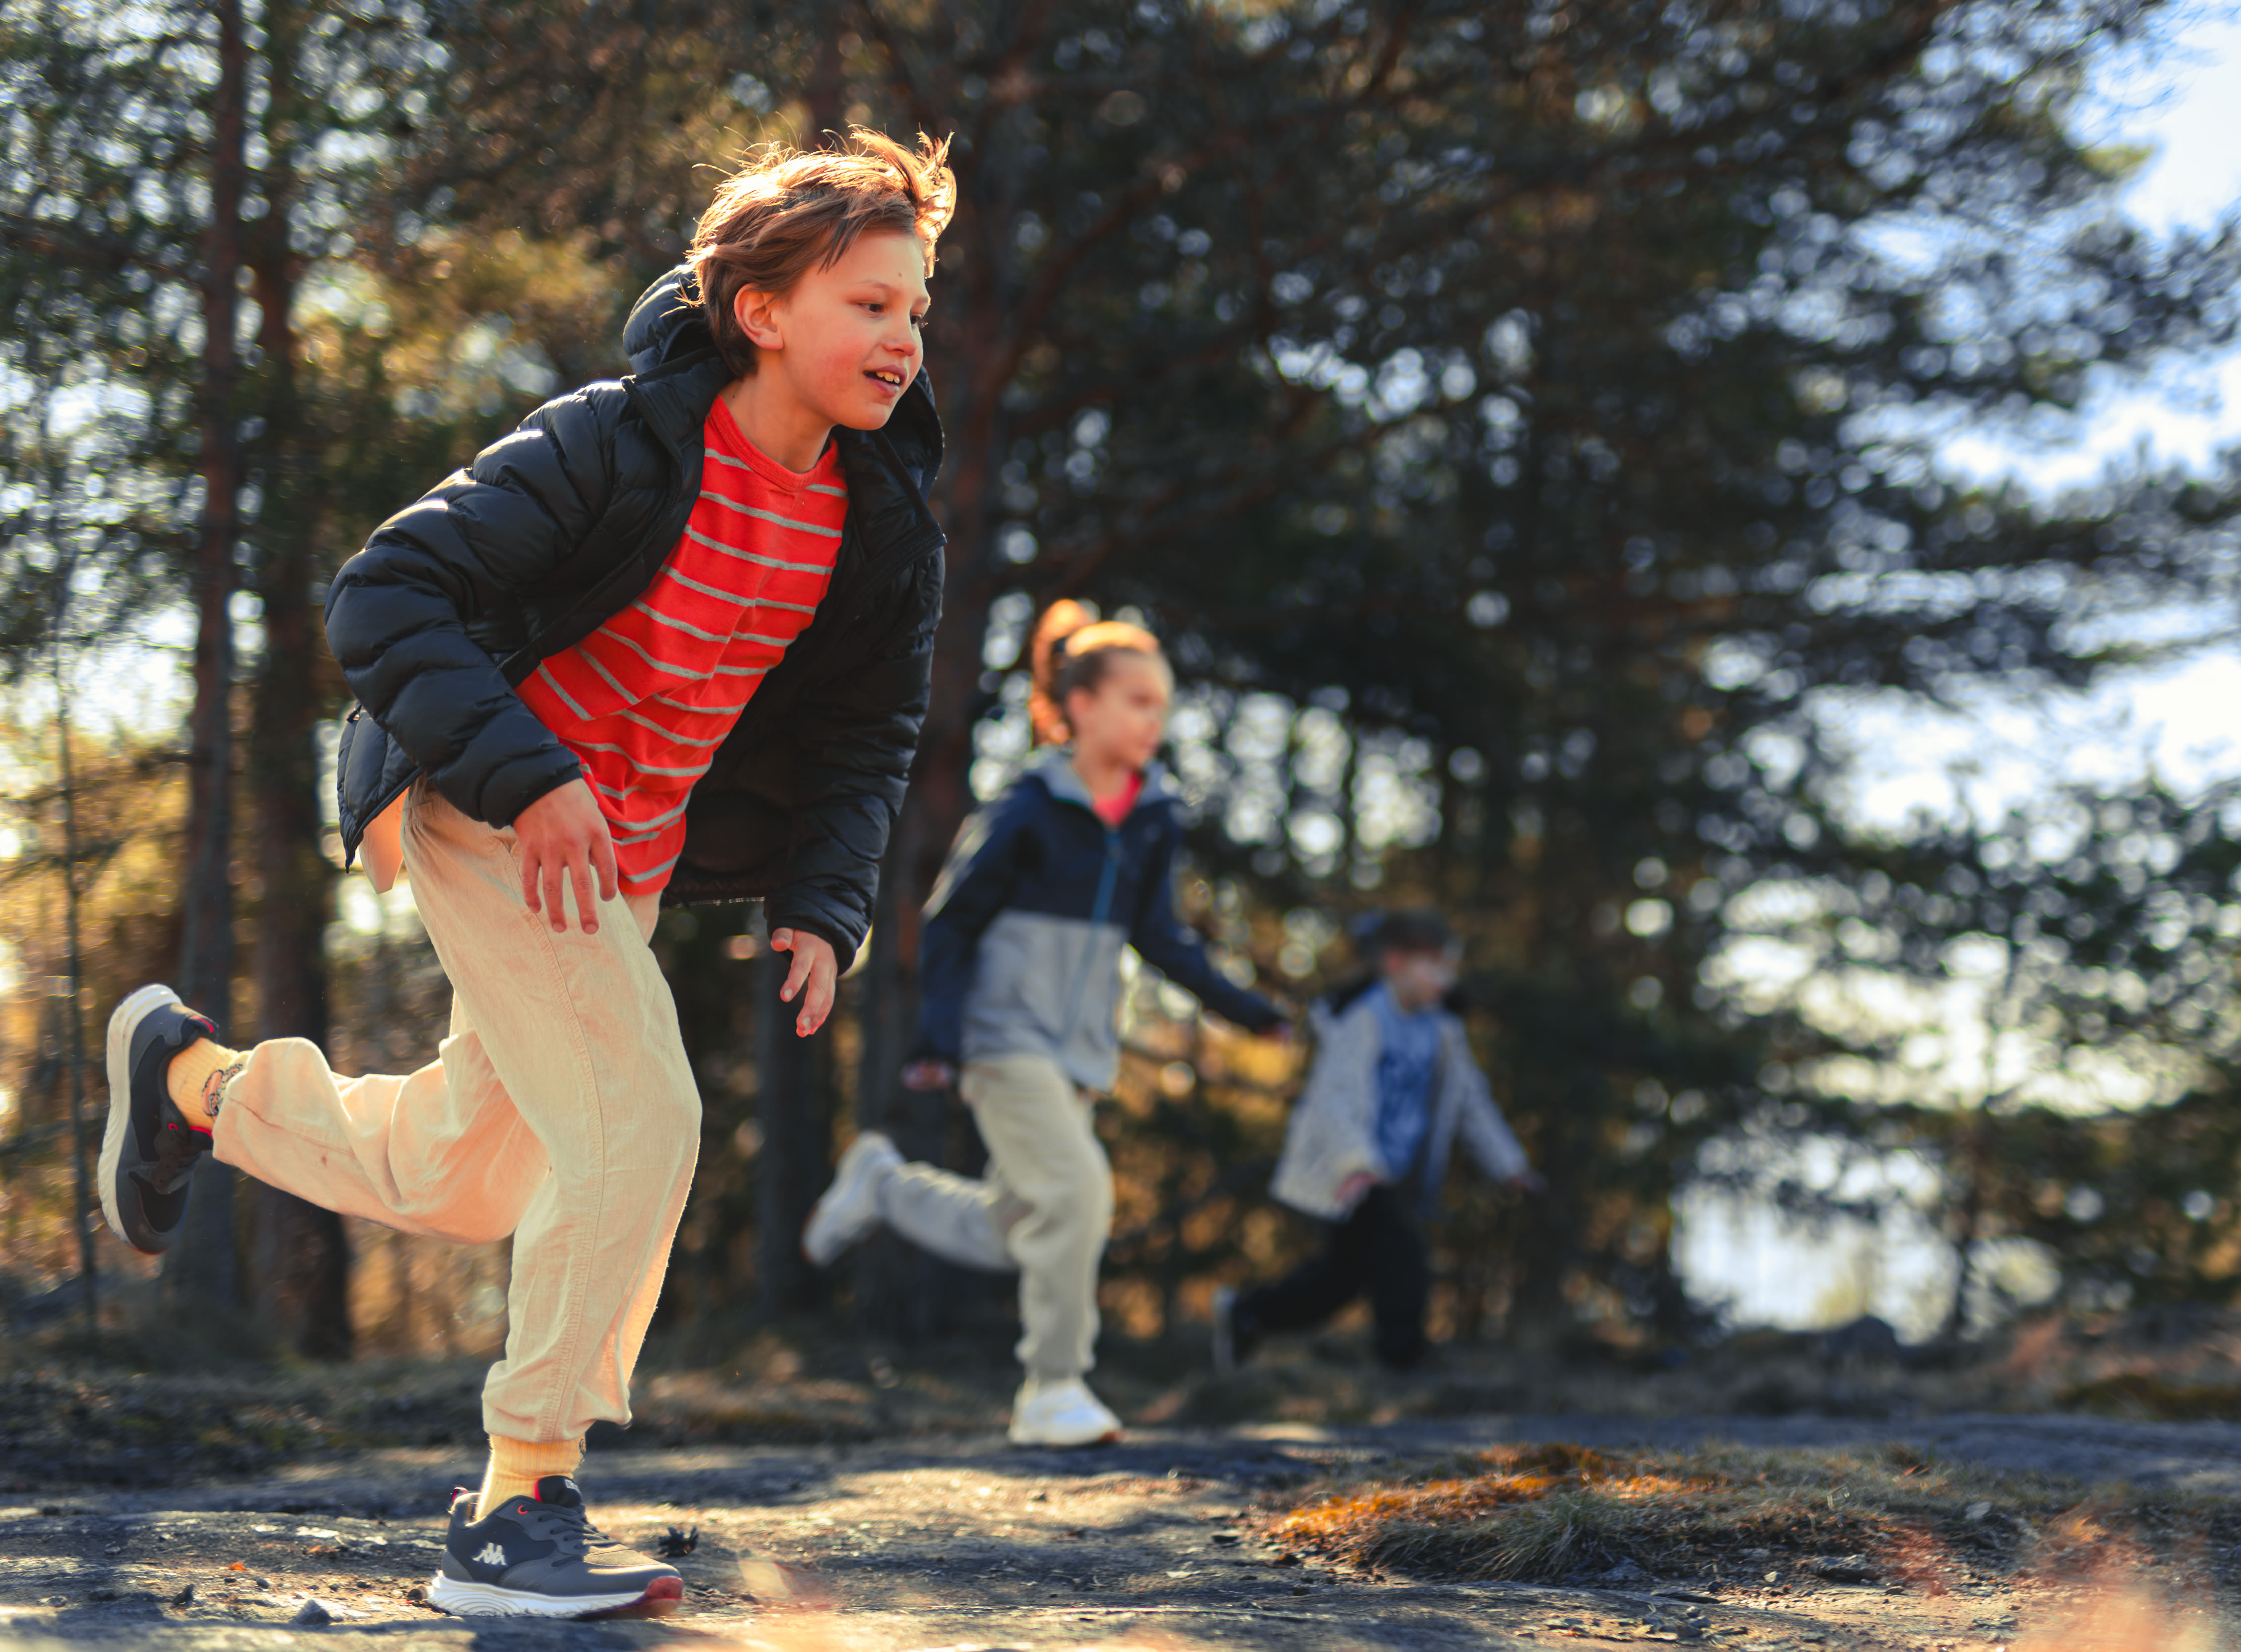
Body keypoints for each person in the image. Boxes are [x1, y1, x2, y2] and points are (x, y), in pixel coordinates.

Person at [95, 130, 955, 1621]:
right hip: (498, 820)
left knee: (463, 1172)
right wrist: (531, 774)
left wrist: (826, 901)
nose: (903, 337)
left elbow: (868, 732)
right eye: (869, 304)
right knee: (640, 1117)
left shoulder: (877, 523)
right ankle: (516, 1508)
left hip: (623, 864)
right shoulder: (616, 441)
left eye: (917, 309)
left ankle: (193, 1083)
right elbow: (386, 594)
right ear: (761, 311)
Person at [800, 602, 1288, 1446]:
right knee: (1078, 1192)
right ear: (1082, 705)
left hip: (1079, 1053)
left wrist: (1246, 1008)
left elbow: (1161, 936)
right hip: (1003, 1037)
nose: (1153, 720)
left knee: (1018, 1227)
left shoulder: (1151, 819)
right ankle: (1052, 1388)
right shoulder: (1025, 811)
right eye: (1136, 699)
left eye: (1162, 705)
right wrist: (940, 1040)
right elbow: (950, 927)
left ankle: (884, 1183)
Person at [1213, 910, 1541, 1373]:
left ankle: (1249, 1312)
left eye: (1448, 967)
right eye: (1433, 966)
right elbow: (1337, 1099)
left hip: (1399, 1171)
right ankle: (1405, 1363)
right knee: (1404, 1257)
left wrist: (1509, 1165)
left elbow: (1471, 1102)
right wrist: (1356, 1163)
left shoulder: (1442, 1029)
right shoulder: (1361, 1018)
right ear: (1394, 962)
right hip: (1356, 1170)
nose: (1444, 979)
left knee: (1341, 1279)